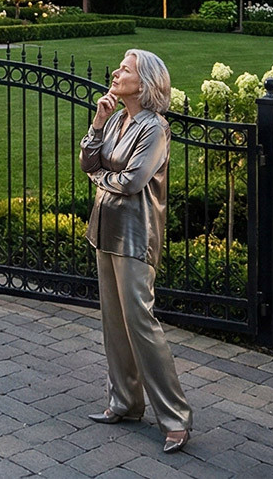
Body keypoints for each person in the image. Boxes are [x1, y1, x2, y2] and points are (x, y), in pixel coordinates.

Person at [78, 48, 193, 454]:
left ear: (144, 83)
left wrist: (99, 176)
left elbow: (131, 182)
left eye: (124, 69)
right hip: (104, 230)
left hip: (135, 235)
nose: (115, 72)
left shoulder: (154, 128)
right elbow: (86, 161)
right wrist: (97, 122)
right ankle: (125, 403)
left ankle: (176, 418)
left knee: (140, 322)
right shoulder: (115, 121)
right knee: (113, 321)